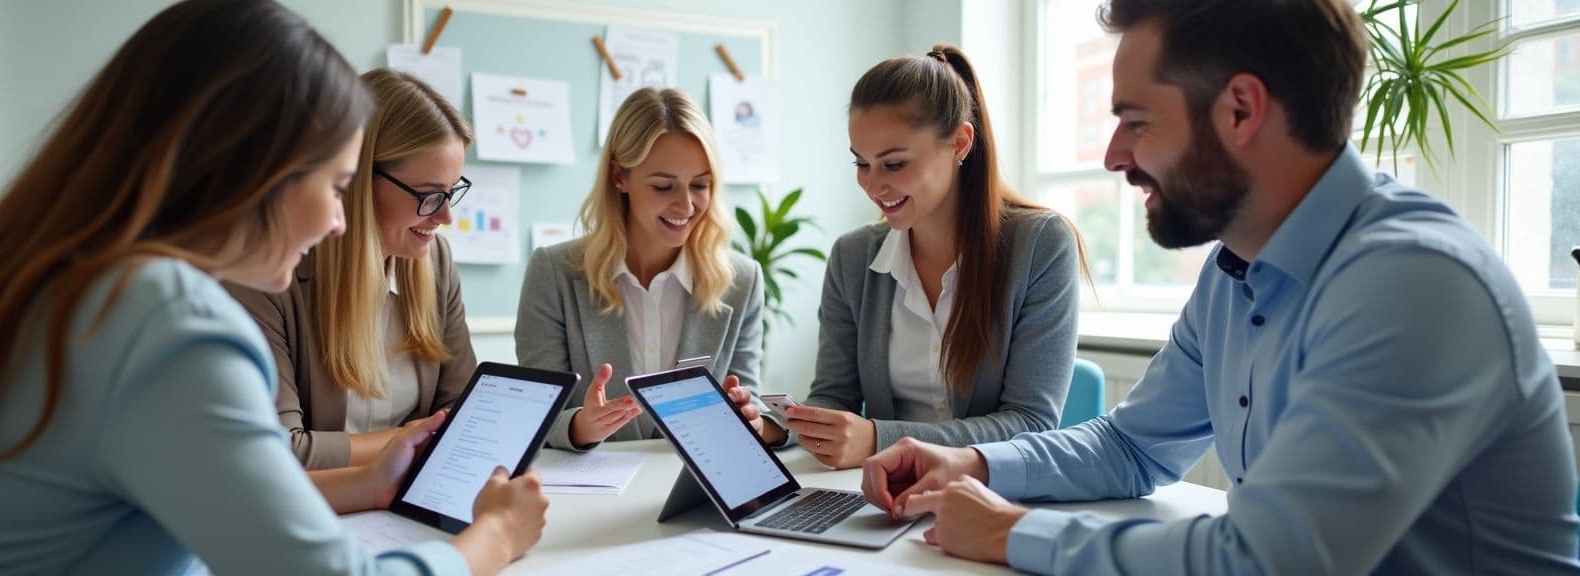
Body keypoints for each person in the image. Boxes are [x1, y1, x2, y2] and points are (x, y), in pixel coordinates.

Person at [860, 1, 1580, 574]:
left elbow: (1271, 560)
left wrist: (1016, 533)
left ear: (1241, 109)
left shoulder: (1414, 283)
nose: (1114, 156)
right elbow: (1133, 447)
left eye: (1136, 122)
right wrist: (974, 461)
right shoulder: (1235, 271)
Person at [0, 1, 545, 574]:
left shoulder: (53, 282)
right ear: (253, 170)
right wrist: (492, 539)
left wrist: (365, 484)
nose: (339, 223)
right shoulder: (163, 324)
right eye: (337, 187)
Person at [765, 44, 1085, 470]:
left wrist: (880, 438)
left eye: (894, 164)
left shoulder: (1041, 245)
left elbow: (1032, 424)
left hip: (991, 496)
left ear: (959, 144)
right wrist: (781, 427)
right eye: (862, 163)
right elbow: (834, 397)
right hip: (883, 494)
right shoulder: (853, 257)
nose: (873, 186)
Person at [227, 68, 478, 471]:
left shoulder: (437, 262)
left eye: (452, 193)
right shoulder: (269, 276)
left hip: (407, 499)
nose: (446, 216)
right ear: (357, 180)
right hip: (321, 509)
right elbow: (280, 451)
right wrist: (407, 439)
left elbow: (464, 410)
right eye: (430, 196)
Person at [516, 87, 783, 450]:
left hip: (691, 491)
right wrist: (580, 426)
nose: (686, 205)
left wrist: (749, 418)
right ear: (619, 177)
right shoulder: (554, 273)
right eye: (663, 186)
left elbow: (747, 399)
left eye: (700, 185)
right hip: (591, 496)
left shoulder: (742, 281)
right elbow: (535, 416)